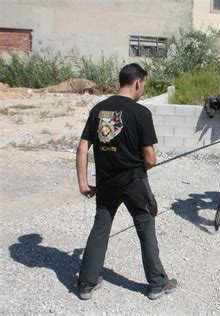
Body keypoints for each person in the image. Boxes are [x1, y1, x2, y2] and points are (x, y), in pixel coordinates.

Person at [75, 63, 177, 300]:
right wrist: (144, 166)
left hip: (106, 181)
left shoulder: (99, 110)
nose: (143, 90)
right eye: (144, 85)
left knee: (101, 225)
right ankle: (157, 283)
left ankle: (86, 284)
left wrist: (82, 182)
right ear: (138, 82)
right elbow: (150, 158)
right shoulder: (141, 113)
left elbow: (82, 147)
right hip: (133, 181)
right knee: (145, 224)